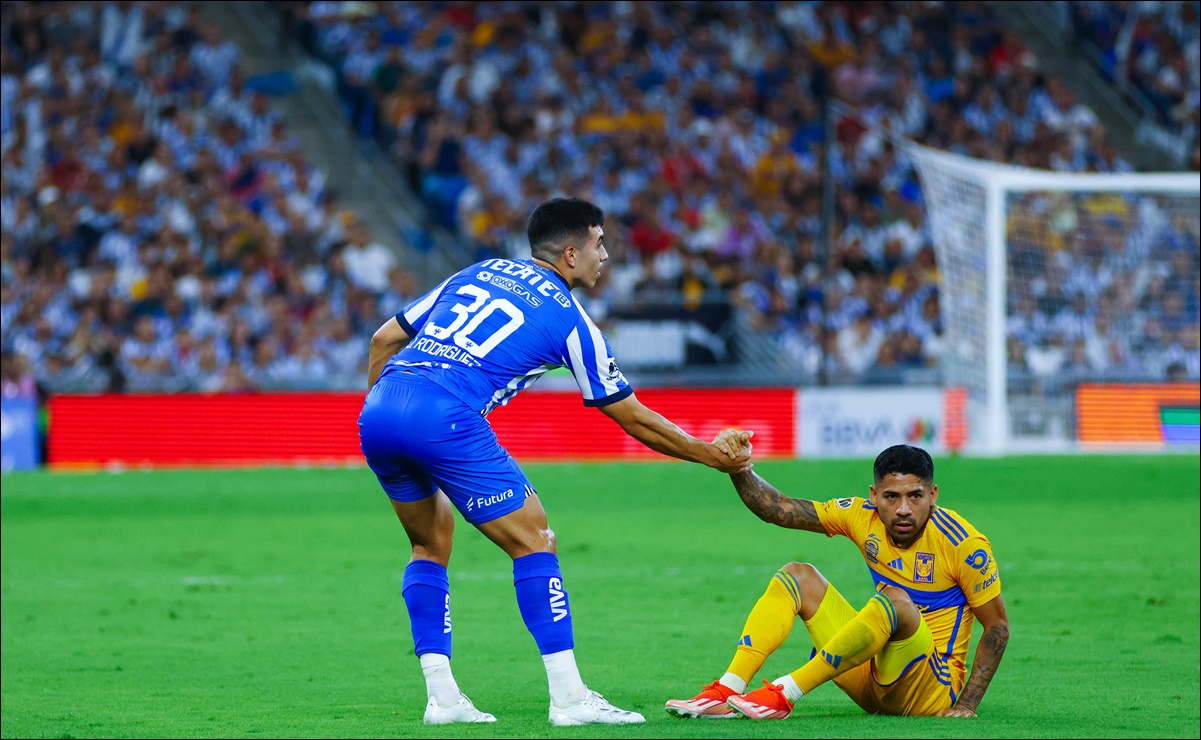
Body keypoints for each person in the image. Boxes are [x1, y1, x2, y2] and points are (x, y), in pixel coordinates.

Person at [358, 197, 752, 726]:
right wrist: (710, 455)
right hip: (446, 414)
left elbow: (385, 338)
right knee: (535, 541)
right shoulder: (571, 319)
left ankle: (443, 698)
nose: (605, 255)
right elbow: (631, 417)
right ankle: (569, 698)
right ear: (570, 253)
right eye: (599, 244)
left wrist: (384, 418)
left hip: (382, 406)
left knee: (429, 544)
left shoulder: (479, 271)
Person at [665, 440, 1008, 720]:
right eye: (892, 497)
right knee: (798, 576)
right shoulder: (861, 515)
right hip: (870, 681)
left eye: (915, 496)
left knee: (896, 600)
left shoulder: (964, 544)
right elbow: (778, 508)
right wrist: (739, 469)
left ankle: (785, 693)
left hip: (929, 690)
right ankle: (727, 688)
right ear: (874, 496)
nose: (904, 508)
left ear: (933, 495)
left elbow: (997, 627)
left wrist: (966, 705)